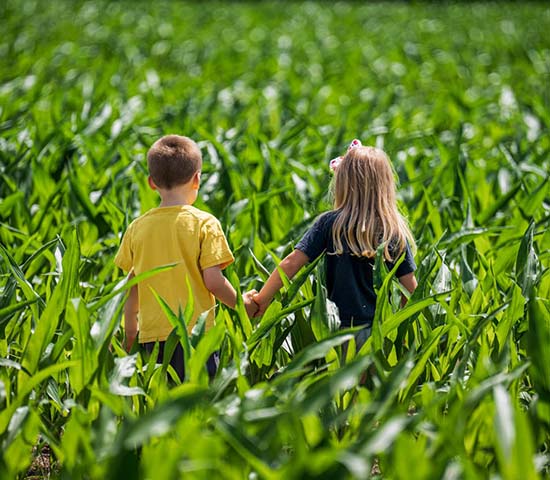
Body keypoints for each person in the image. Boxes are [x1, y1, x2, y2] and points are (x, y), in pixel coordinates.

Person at [114, 134, 258, 381]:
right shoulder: (204, 224)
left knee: (161, 406)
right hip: (196, 334)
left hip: (153, 338)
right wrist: (242, 306)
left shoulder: (137, 228)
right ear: (196, 179)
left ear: (151, 183)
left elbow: (132, 287)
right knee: (199, 404)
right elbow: (213, 281)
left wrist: (130, 334)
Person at [253, 140, 417, 353]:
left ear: (343, 183)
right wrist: (400, 330)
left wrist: (261, 299)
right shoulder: (392, 231)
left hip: (335, 330)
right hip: (377, 331)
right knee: (369, 386)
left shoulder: (330, 224)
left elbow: (292, 263)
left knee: (339, 383)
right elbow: (410, 289)